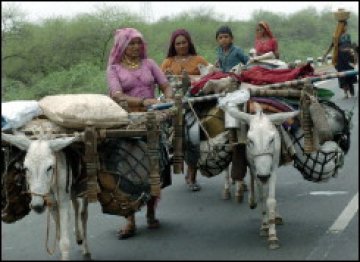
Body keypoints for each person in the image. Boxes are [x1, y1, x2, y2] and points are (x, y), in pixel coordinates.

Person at [106, 27, 173, 239]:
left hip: (153, 119)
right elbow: (117, 96)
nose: (135, 47)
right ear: (122, 47)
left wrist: (168, 98)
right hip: (126, 122)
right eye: (131, 44)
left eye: (138, 43)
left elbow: (165, 85)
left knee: (156, 165)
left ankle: (152, 210)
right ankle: (130, 219)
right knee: (125, 171)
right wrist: (143, 101)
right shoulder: (114, 69)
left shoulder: (150, 64)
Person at [161, 29, 209, 192]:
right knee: (167, 140)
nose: (181, 45)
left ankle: (192, 175)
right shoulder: (168, 62)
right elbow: (161, 84)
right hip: (172, 107)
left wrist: (195, 79)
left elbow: (209, 77)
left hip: (194, 106)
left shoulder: (199, 60)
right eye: (178, 43)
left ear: (189, 43)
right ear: (173, 46)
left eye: (184, 42)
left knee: (194, 138)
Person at [323, 20, 357, 98]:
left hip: (348, 57)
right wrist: (325, 55)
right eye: (345, 26)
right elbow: (331, 46)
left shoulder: (348, 35)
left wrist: (353, 53)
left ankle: (351, 88)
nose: (346, 27)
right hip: (340, 58)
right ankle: (345, 93)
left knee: (350, 74)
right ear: (341, 26)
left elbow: (349, 45)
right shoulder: (336, 37)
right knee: (342, 75)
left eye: (346, 26)